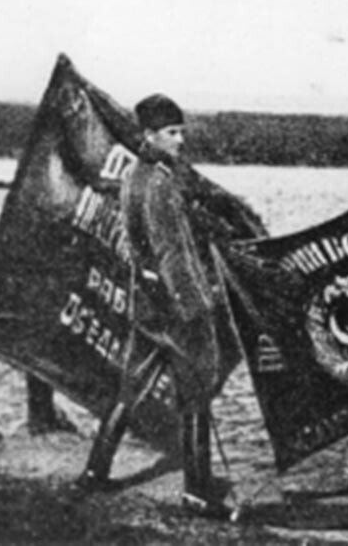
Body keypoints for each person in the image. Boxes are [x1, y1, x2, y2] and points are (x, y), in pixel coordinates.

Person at [78, 93, 233, 518]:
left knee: (130, 388)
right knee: (197, 393)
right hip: (178, 308)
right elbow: (171, 254)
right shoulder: (161, 183)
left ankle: (94, 473)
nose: (181, 140)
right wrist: (194, 307)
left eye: (182, 131)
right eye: (172, 133)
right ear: (150, 135)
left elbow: (140, 249)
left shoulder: (133, 175)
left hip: (146, 306)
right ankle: (198, 492)